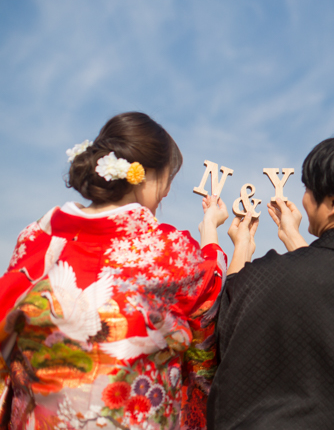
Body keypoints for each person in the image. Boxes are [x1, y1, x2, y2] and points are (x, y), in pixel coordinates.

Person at [0, 112, 255, 429]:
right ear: (145, 175)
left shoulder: (37, 241)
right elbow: (210, 303)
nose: (165, 193)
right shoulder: (169, 251)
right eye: (166, 180)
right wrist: (212, 235)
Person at [207, 133, 334, 429]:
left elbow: (226, 322)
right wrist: (292, 235)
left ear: (332, 202)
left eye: (307, 188)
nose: (303, 198)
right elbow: (329, 282)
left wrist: (241, 245)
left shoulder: (272, 275)